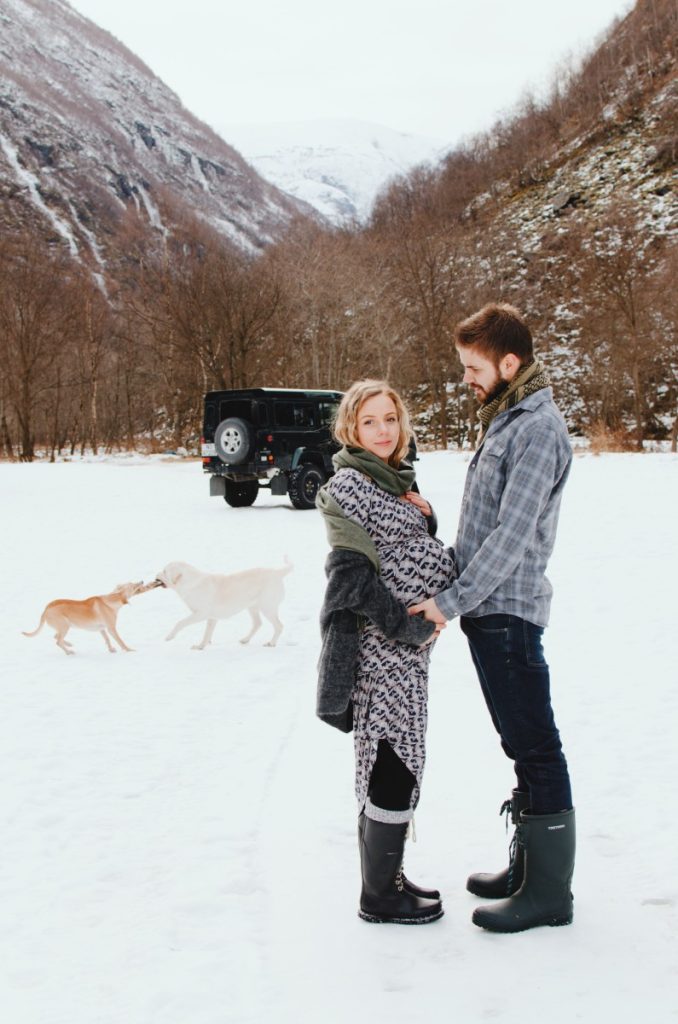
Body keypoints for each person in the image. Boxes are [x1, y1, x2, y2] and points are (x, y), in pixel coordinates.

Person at [409, 303, 575, 934]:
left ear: (511, 364)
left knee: (536, 745)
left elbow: (510, 538)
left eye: (475, 368)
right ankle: (530, 870)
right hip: (491, 608)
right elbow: (479, 535)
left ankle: (548, 896)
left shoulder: (537, 430)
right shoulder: (506, 420)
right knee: (520, 743)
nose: (467, 379)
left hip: (509, 612)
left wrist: (449, 601)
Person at [315, 379, 456, 925]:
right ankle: (379, 895)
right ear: (351, 426)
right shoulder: (349, 486)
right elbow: (351, 581)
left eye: (390, 420)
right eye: (370, 421)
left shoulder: (396, 481)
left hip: (405, 653)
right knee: (389, 757)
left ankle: (387, 876)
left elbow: (405, 544)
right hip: (380, 649)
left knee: (399, 751)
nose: (382, 430)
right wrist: (408, 627)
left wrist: (427, 516)